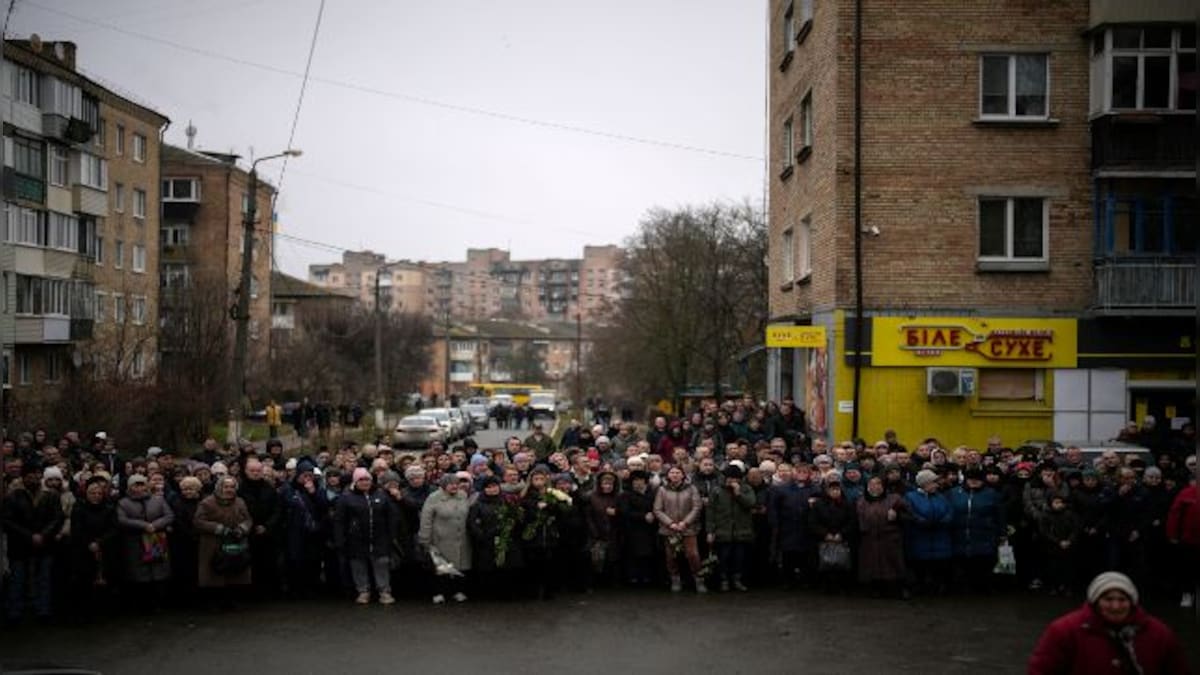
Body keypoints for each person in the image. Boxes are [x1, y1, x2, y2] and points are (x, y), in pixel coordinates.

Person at [1028, 571, 1188, 675]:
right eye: (1108, 599)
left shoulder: (1159, 634)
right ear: (1096, 601)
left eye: (1122, 600)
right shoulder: (1064, 631)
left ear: (1132, 602)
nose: (1115, 606)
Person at [335, 468, 397, 605]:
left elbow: (391, 516)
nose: (365, 482)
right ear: (355, 481)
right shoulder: (346, 498)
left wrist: (391, 535)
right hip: (355, 539)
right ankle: (363, 591)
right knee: (358, 566)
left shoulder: (381, 495)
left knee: (381, 564)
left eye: (367, 479)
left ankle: (384, 591)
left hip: (379, 538)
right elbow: (339, 521)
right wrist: (340, 539)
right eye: (361, 480)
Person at [116, 474, 174, 609]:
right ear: (130, 487)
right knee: (139, 574)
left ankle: (158, 603)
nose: (140, 487)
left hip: (157, 540)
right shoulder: (123, 502)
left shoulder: (158, 500)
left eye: (142, 484)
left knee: (159, 572)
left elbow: (169, 515)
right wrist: (143, 526)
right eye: (136, 485)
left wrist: (155, 525)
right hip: (135, 542)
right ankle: (141, 604)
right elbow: (122, 519)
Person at [194, 476, 253, 607]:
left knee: (236, 572)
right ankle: (215, 603)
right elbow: (198, 522)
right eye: (226, 487)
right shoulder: (207, 502)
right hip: (213, 543)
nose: (229, 490)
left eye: (232, 487)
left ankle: (233, 601)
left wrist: (242, 529)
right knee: (214, 573)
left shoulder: (240, 502)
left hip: (236, 542)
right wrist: (218, 528)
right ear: (219, 487)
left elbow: (248, 519)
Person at [419, 473, 472, 604]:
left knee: (460, 566)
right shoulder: (434, 498)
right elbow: (426, 519)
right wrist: (425, 538)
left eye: (456, 483)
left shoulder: (463, 495)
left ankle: (458, 591)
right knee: (442, 567)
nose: (454, 486)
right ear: (443, 485)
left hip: (462, 538)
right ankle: (439, 592)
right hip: (441, 538)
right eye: (450, 484)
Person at [653, 465, 706, 593]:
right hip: (669, 528)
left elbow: (697, 507)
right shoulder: (662, 490)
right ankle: (675, 579)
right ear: (668, 475)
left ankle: (699, 579)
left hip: (688, 528)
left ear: (683, 475)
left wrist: (685, 523)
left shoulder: (691, 488)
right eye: (672, 472)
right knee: (671, 556)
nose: (675, 475)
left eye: (678, 472)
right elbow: (657, 509)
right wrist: (670, 523)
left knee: (692, 555)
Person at [706, 465, 756, 592]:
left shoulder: (746, 489)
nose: (731, 481)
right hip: (723, 530)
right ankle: (724, 580)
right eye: (729, 478)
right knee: (724, 557)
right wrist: (710, 531)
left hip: (741, 531)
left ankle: (737, 580)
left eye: (734, 479)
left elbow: (751, 503)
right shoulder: (717, 490)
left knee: (739, 558)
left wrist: (738, 494)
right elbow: (711, 512)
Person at [856, 475, 906, 597]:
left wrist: (897, 516)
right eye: (872, 484)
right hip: (869, 539)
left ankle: (895, 590)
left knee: (892, 566)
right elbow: (857, 520)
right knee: (871, 566)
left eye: (878, 484)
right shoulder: (861, 501)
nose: (875, 487)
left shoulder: (894, 499)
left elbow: (909, 515)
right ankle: (873, 590)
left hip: (890, 539)